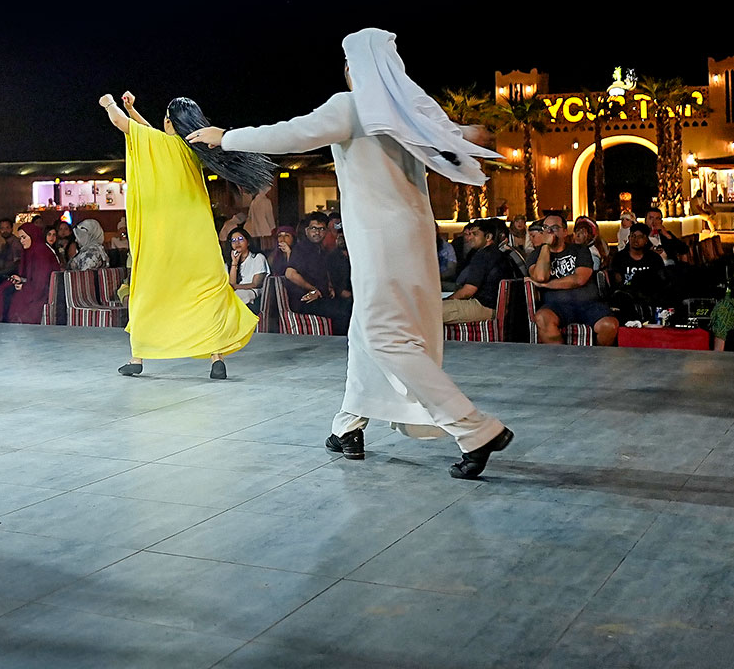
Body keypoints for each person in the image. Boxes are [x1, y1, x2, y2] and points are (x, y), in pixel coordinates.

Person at [195, 28, 514, 479]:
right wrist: (468, 133)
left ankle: (474, 428)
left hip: (380, 242)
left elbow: (292, 134)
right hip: (414, 239)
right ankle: (348, 425)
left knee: (386, 337)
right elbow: (464, 135)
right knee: (366, 332)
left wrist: (226, 138)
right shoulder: (408, 113)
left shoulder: (352, 105)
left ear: (354, 67)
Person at [100, 92, 265, 380]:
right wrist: (133, 109)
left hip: (166, 240)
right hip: (198, 239)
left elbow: (122, 124)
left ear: (169, 121)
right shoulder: (192, 149)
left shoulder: (162, 145)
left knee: (151, 293)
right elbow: (149, 134)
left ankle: (137, 357)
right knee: (207, 295)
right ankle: (217, 359)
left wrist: (109, 103)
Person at [529, 213, 618, 346]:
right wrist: (546, 246)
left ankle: (597, 360)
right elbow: (541, 277)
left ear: (565, 232)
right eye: (546, 228)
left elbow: (579, 279)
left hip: (588, 305)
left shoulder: (580, 250)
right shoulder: (535, 255)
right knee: (542, 318)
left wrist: (547, 285)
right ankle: (562, 361)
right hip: (556, 307)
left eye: (554, 228)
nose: (549, 232)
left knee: (610, 325)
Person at [284, 212, 352, 334]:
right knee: (343, 311)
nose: (317, 232)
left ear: (326, 231)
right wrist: (312, 289)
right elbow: (290, 274)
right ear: (306, 231)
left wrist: (330, 286)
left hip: (321, 298)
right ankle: (339, 345)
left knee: (348, 305)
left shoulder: (321, 250)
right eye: (314, 228)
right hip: (305, 300)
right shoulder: (301, 249)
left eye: (321, 229)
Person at [443, 218, 512, 324]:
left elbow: (468, 291)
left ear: (488, 237)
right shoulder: (498, 253)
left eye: (475, 234)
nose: (469, 238)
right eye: (469, 234)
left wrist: (448, 299)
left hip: (484, 307)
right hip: (495, 307)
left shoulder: (483, 255)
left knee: (430, 311)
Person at [0, 222, 58, 324]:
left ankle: (7, 323)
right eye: (20, 238)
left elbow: (41, 282)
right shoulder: (31, 251)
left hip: (42, 293)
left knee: (15, 298)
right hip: (34, 287)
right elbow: (31, 276)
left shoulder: (41, 253)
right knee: (5, 287)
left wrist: (24, 287)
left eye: (24, 237)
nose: (21, 241)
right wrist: (21, 279)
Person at [608, 222, 666, 322]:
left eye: (640, 237)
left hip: (649, 295)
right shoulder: (619, 258)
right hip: (626, 296)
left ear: (646, 239)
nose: (635, 240)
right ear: (629, 237)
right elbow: (615, 281)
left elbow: (661, 280)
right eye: (633, 236)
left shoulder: (654, 258)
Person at [226, 227, 270, 310]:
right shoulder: (229, 262)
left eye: (240, 239)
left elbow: (256, 284)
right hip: (235, 291)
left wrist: (236, 287)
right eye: (233, 241)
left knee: (234, 298)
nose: (237, 243)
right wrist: (234, 263)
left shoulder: (258, 257)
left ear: (248, 242)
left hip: (252, 292)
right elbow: (232, 283)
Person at [0, 217, 22, 286]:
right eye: (2, 228)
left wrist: (2, 273)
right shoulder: (4, 245)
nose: (5, 231)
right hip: (4, 274)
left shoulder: (16, 243)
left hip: (12, 275)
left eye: (7, 228)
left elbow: (17, 263)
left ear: (12, 229)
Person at [245, 186, 276, 254]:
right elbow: (269, 217)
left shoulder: (253, 202)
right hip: (266, 232)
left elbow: (249, 217)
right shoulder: (266, 201)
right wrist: (273, 228)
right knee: (267, 252)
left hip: (255, 232)